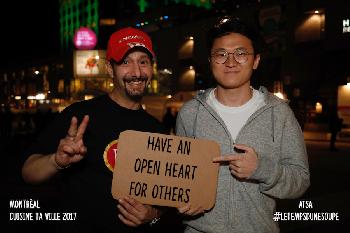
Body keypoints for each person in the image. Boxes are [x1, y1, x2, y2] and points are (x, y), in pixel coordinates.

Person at [22, 27, 166, 233]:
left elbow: (164, 198)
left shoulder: (158, 130)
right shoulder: (79, 116)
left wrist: (153, 215)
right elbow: (28, 172)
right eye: (125, 62)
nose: (136, 72)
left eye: (143, 62)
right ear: (109, 69)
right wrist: (56, 160)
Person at [175, 16, 310, 233]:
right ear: (210, 61)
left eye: (241, 53)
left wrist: (262, 169)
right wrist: (185, 199)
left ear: (256, 60)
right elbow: (179, 174)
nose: (230, 62)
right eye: (221, 54)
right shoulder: (190, 113)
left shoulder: (280, 113)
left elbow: (301, 181)